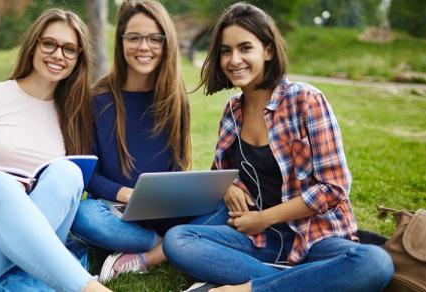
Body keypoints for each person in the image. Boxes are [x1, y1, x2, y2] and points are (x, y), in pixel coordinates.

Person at [162, 3, 394, 292]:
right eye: (226, 50)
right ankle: (306, 281)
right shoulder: (232, 110)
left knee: (374, 262)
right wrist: (231, 185)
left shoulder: (306, 101)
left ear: (268, 51)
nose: (234, 60)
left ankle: (248, 288)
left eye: (245, 48)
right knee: (177, 240)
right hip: (263, 240)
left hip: (315, 237)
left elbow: (333, 187)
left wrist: (264, 218)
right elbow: (221, 172)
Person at [0, 8, 110, 292]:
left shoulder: (74, 114)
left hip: (38, 239)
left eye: (69, 49)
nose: (58, 55)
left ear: (78, 58)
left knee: (68, 171)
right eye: (49, 44)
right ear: (33, 44)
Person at [70, 0, 208, 283]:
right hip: (114, 211)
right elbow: (88, 177)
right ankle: (170, 244)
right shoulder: (98, 99)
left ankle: (157, 251)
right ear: (121, 42)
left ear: (166, 43)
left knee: (227, 205)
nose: (144, 47)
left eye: (154, 39)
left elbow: (177, 166)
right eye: (134, 37)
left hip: (163, 209)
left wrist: (178, 195)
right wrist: (128, 195)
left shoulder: (174, 99)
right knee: (82, 215)